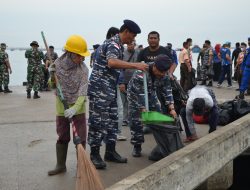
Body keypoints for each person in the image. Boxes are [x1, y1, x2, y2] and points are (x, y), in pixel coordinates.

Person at [87, 19, 148, 169]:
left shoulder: (118, 45)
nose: (133, 39)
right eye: (132, 36)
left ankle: (110, 151)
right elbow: (112, 63)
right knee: (97, 122)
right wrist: (136, 65)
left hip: (109, 89)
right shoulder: (113, 44)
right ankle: (94, 154)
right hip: (100, 89)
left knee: (113, 121)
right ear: (126, 31)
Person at [48, 35, 90, 176]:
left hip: (78, 108)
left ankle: (82, 167)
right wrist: (51, 75)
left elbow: (83, 92)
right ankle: (60, 165)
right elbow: (52, 86)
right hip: (61, 107)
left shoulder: (83, 69)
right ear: (70, 53)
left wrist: (74, 108)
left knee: (81, 138)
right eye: (80, 56)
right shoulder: (57, 65)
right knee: (62, 136)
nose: (82, 59)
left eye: (83, 56)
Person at [127, 54, 177, 157]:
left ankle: (163, 144)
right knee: (137, 121)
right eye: (159, 72)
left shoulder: (164, 74)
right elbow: (139, 94)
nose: (161, 74)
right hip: (135, 96)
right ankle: (137, 145)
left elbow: (167, 90)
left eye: (164, 73)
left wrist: (171, 108)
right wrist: (143, 109)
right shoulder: (141, 73)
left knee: (159, 116)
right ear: (154, 66)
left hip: (150, 93)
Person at [137, 31, 175, 133]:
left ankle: (163, 123)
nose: (153, 40)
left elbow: (172, 63)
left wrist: (172, 107)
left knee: (161, 104)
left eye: (155, 38)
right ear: (148, 40)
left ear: (159, 39)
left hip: (160, 82)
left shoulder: (165, 51)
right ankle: (149, 125)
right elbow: (138, 91)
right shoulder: (143, 53)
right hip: (146, 82)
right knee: (146, 104)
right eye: (151, 38)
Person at [118, 40, 139, 140]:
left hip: (134, 81)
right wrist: (121, 82)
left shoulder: (138, 53)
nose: (130, 45)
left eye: (132, 44)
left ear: (134, 45)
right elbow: (120, 68)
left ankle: (131, 119)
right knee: (123, 102)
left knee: (133, 101)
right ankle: (124, 119)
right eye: (129, 44)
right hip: (124, 81)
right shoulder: (122, 53)